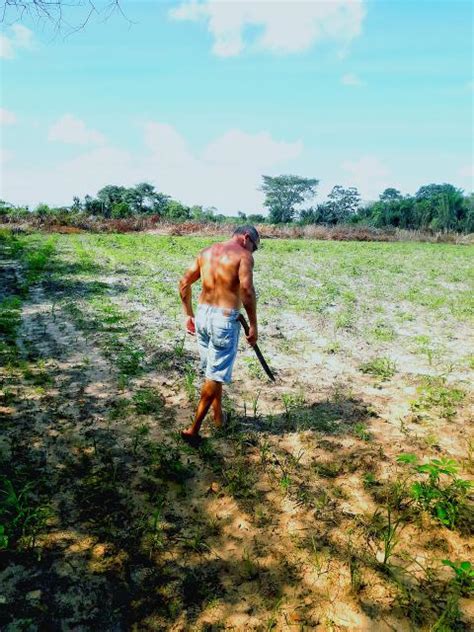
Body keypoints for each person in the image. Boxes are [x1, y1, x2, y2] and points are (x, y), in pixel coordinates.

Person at [178, 225, 260, 445]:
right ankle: (194, 429)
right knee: (215, 374)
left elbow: (184, 282)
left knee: (212, 370)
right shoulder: (243, 256)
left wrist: (188, 315)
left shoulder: (207, 252)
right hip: (224, 318)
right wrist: (253, 325)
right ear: (246, 238)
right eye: (255, 247)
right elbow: (247, 291)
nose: (253, 252)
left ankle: (218, 418)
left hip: (203, 315)